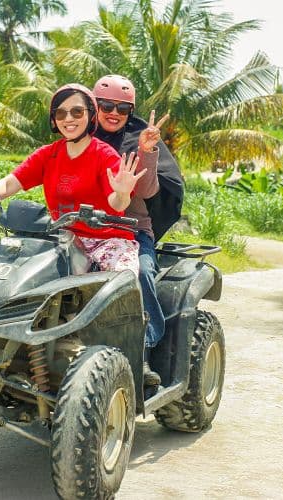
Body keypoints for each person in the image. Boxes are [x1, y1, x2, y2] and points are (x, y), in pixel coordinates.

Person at [0, 83, 155, 275]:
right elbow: (10, 182)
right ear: (54, 119)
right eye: (61, 113)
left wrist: (121, 192)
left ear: (91, 115)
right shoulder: (48, 155)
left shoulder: (104, 155)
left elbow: (118, 204)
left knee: (123, 279)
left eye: (77, 112)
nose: (68, 118)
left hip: (107, 241)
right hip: (61, 240)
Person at [92, 75, 185, 386]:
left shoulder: (138, 140)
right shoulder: (79, 136)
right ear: (94, 106)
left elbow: (146, 190)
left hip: (129, 232)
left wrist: (146, 151)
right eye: (106, 105)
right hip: (81, 230)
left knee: (141, 272)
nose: (113, 113)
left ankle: (142, 353)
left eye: (122, 108)